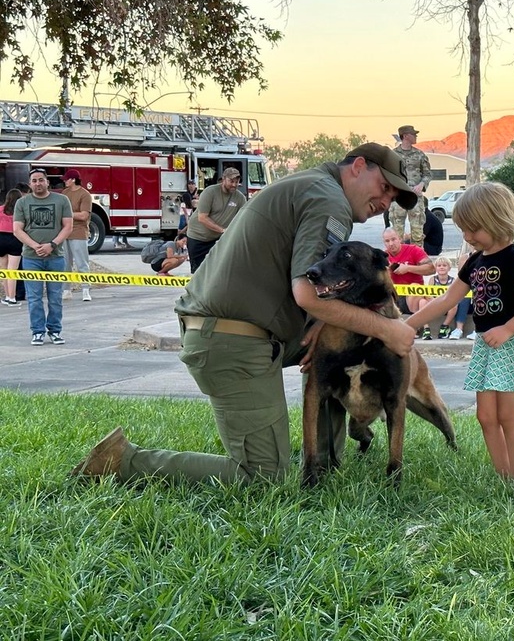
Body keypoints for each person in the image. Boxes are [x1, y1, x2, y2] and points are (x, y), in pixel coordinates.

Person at [69, 143, 420, 484]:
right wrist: (388, 330)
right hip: (231, 340)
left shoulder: (309, 184)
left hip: (230, 329)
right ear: (358, 167)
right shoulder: (328, 199)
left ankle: (324, 467)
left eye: (393, 198)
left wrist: (328, 324)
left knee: (335, 344)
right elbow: (306, 293)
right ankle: (122, 460)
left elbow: (314, 294)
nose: (385, 202)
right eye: (385, 188)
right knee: (263, 475)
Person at [406, 182, 514, 479]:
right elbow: (448, 299)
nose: (467, 236)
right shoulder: (474, 262)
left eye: (473, 229)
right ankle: (503, 476)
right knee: (486, 417)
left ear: (497, 222)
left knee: (508, 417)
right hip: (488, 348)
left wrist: (507, 330)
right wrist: (407, 325)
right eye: (464, 229)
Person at [12, 168, 73, 346]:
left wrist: (52, 245)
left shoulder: (62, 200)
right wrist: (35, 246)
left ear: (47, 182)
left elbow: (67, 227)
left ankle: (55, 331)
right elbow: (17, 229)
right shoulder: (22, 203)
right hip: (31, 257)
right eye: (34, 181)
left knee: (55, 297)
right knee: (34, 297)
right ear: (30, 184)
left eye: (41, 180)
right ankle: (37, 332)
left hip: (56, 257)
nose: (38, 183)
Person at [185, 167, 246, 273]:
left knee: (218, 271)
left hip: (216, 240)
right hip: (197, 237)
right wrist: (223, 231)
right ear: (223, 179)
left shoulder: (240, 198)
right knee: (199, 273)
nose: (234, 185)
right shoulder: (210, 192)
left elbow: (244, 218)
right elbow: (202, 218)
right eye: (231, 181)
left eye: (237, 182)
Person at [387, 125, 432, 247]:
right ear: (406, 136)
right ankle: (399, 262)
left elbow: (427, 174)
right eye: (413, 134)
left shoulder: (420, 155)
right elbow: (386, 175)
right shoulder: (392, 155)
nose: (416, 136)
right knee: (397, 235)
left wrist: (421, 185)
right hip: (398, 197)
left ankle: (417, 262)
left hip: (415, 197)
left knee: (417, 234)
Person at [382, 227, 434, 314]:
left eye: (393, 239)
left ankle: (415, 322)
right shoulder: (383, 256)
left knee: (415, 287)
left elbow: (431, 269)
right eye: (387, 241)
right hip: (393, 296)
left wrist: (408, 268)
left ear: (400, 239)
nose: (391, 243)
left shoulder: (413, 250)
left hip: (412, 295)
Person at [60, 169, 93, 302]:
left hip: (79, 232)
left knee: (82, 263)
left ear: (73, 179)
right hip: (64, 232)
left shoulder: (85, 194)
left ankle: (86, 289)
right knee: (64, 263)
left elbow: (84, 215)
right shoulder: (64, 193)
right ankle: (66, 290)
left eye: (66, 179)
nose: (64, 181)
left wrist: (67, 214)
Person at [417, 257, 466, 339]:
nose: (442, 267)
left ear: (449, 268)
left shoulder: (453, 280)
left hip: (447, 305)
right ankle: (426, 328)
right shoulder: (433, 279)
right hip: (434, 303)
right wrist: (434, 301)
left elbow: (454, 295)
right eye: (439, 265)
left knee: (455, 304)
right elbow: (429, 294)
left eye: (444, 265)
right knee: (422, 301)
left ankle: (445, 326)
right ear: (436, 268)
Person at [0, 188, 23, 305]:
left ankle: (7, 296)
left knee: (4, 270)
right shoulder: (20, 211)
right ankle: (13, 298)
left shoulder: (0, 209)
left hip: (1, 239)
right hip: (15, 239)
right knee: (13, 270)